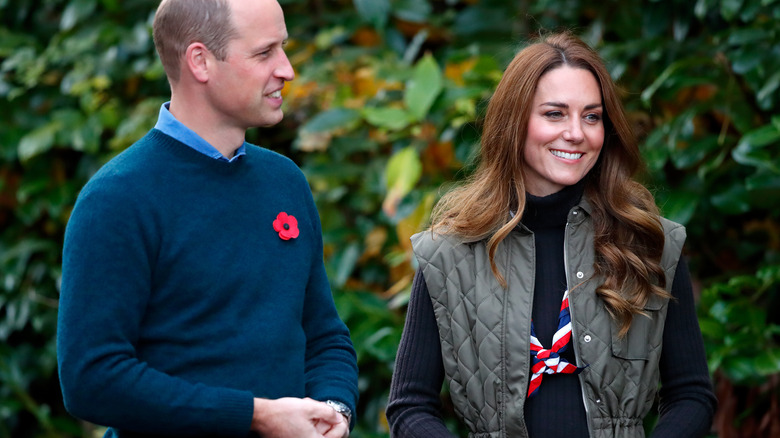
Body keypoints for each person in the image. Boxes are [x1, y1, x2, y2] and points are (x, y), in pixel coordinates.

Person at [386, 32, 717, 438]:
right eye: (555, 114)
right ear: (515, 121)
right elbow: (410, 407)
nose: (577, 132)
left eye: (592, 116)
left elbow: (691, 394)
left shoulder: (650, 243)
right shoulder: (450, 252)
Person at [57, 0, 358, 437]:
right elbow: (92, 379)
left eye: (283, 48)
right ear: (200, 61)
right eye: (264, 53)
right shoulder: (117, 198)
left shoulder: (284, 181)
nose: (287, 69)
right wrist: (255, 416)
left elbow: (324, 335)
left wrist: (333, 411)